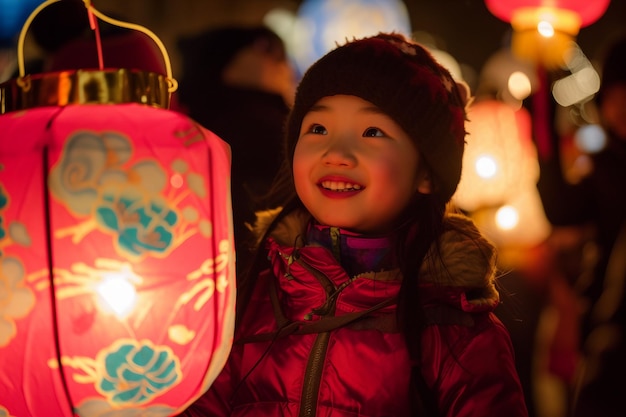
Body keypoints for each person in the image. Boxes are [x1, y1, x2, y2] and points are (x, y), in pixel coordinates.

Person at [180, 32, 528, 417]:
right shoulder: (253, 294)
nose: (337, 153)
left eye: (372, 132)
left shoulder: (457, 328)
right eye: (318, 129)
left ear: (425, 174)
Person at [177, 26, 296, 273]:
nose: (280, 59)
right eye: (264, 47)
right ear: (222, 63)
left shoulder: (192, 127)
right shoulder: (260, 129)